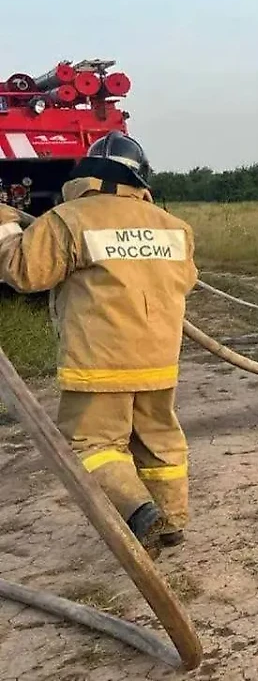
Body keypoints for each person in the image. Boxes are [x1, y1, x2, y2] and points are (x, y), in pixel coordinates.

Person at [0, 132, 198, 552]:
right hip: (159, 361)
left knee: (89, 445)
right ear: (140, 180)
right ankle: (171, 519)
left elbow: (23, 272)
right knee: (159, 440)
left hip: (99, 363)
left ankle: (138, 511)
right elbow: (187, 281)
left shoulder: (70, 218)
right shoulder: (175, 227)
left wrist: (4, 227)